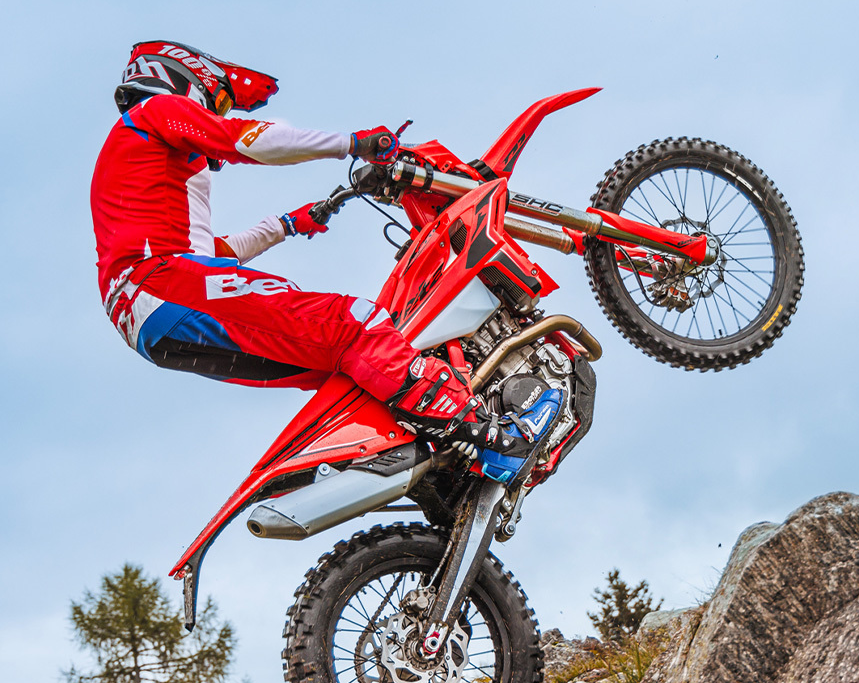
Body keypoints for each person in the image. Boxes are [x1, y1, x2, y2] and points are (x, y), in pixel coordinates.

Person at [90, 40, 562, 484]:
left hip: (153, 317)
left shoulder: (140, 166)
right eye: (217, 104)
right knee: (354, 323)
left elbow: (212, 255)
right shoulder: (156, 110)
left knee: (349, 367)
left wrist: (288, 225)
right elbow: (247, 139)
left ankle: (428, 464)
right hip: (160, 286)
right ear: (184, 79)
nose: (217, 114)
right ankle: (494, 437)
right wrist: (353, 143)